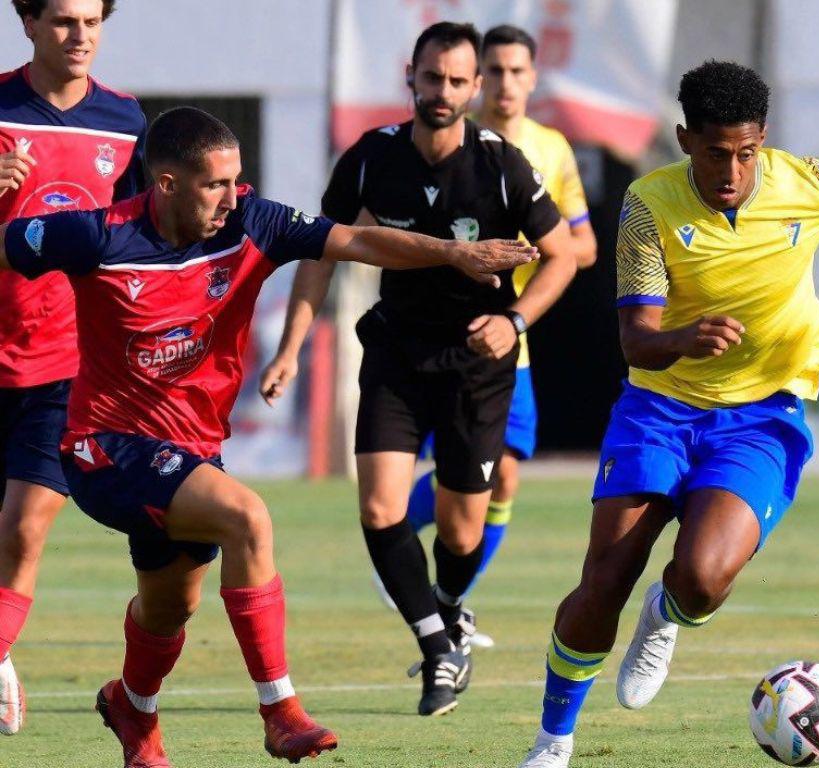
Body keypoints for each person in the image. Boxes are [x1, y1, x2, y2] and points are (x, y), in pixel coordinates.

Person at [0, 106, 535, 767]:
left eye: (236, 180)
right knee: (248, 517)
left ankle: (132, 709)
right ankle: (280, 711)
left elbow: (358, 241)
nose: (233, 197)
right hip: (103, 446)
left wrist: (454, 253)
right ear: (164, 183)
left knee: (170, 608)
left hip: (190, 448)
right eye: (215, 184)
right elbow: (8, 246)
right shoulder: (94, 236)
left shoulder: (253, 223)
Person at [516, 60, 819, 767]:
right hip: (660, 408)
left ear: (764, 141)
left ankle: (666, 616)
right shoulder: (647, 205)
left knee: (700, 579)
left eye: (746, 152)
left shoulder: (808, 184)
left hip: (761, 416)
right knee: (603, 581)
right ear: (687, 139)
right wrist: (683, 340)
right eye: (716, 152)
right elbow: (636, 341)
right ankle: (553, 741)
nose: (732, 169)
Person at [260, 21, 576, 717]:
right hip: (398, 354)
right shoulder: (372, 158)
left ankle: (451, 607)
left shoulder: (502, 165)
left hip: (477, 365)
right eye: (433, 77)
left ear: (475, 87)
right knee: (379, 506)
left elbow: (562, 256)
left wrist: (515, 320)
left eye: (458, 81)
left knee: (463, 534)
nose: (444, 91)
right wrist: (290, 347)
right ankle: (438, 647)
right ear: (412, 75)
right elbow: (320, 251)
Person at [393, 24, 598, 649]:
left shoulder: (551, 149)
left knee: (501, 478)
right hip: (436, 340)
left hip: (513, 340)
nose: (507, 84)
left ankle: (449, 600)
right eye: (497, 71)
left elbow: (583, 245)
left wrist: (536, 245)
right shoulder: (452, 141)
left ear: (533, 78)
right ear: (477, 79)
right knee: (459, 475)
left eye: (518, 71)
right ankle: (394, 549)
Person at [0, 0, 145, 735]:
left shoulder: (125, 121)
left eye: (92, 20)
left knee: (25, 528)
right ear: (26, 22)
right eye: (62, 20)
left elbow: (147, 234)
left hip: (65, 363)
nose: (80, 35)